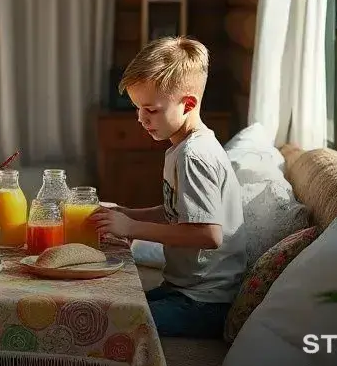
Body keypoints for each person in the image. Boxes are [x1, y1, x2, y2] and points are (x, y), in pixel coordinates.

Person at [87, 36, 246, 339]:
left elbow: (208, 234)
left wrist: (131, 228)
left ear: (188, 104)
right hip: (183, 291)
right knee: (100, 305)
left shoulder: (193, 155)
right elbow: (179, 212)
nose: (141, 119)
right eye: (137, 108)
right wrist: (127, 212)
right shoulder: (183, 146)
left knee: (101, 323)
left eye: (151, 110)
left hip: (204, 303)